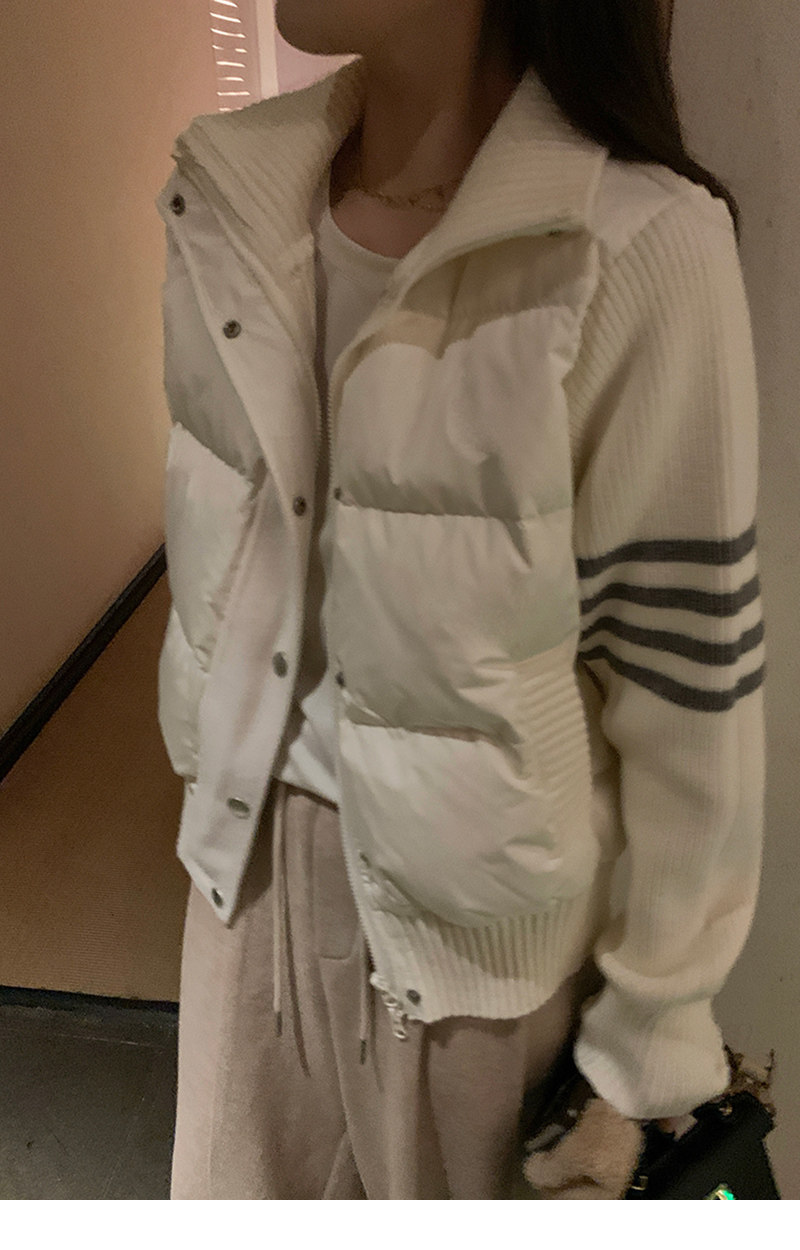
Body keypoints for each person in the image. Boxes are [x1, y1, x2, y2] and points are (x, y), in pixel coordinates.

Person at [159, 0, 766, 1198]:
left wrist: (644, 1036)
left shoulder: (632, 237)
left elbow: (683, 687)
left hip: (478, 973)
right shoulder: (224, 196)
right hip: (241, 888)